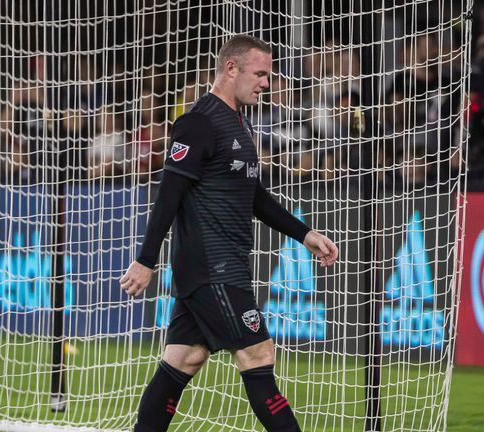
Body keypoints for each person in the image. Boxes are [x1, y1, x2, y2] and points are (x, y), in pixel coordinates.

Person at [119, 34, 339, 432]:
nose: (266, 83)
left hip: (219, 267)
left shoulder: (237, 122)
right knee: (257, 354)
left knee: (182, 360)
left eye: (269, 75)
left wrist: (305, 234)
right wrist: (145, 260)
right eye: (260, 73)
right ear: (231, 68)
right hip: (213, 268)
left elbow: (255, 198)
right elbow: (168, 195)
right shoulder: (198, 123)